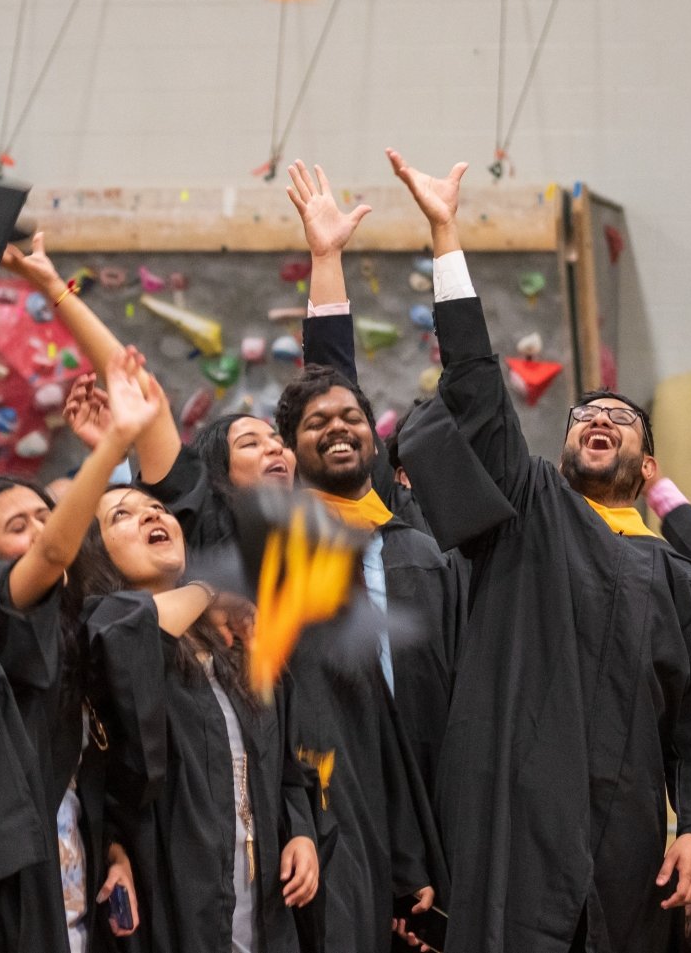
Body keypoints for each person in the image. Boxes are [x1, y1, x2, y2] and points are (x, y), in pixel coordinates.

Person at [385, 149, 691, 953]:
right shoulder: (530, 509)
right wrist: (446, 237)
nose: (597, 417)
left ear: (649, 467)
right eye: (583, 414)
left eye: (618, 416)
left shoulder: (682, 583)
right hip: (507, 828)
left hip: (623, 846)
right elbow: (477, 390)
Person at [281, 160, 464, 952]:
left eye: (352, 420)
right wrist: (326, 262)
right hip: (337, 772)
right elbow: (329, 378)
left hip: (436, 754)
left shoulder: (401, 521)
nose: (338, 426)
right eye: (315, 423)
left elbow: (340, 392)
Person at [0, 354, 160, 953]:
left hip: (78, 843)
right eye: (18, 525)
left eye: (47, 517)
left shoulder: (85, 617)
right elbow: (48, 557)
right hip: (16, 866)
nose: (43, 533)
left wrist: (113, 842)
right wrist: (117, 440)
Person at [77, 483, 321, 953]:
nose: (152, 516)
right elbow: (131, 630)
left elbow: (289, 770)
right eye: (122, 516)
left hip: (266, 909)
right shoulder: (100, 629)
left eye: (158, 508)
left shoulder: (233, 647)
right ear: (96, 555)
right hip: (173, 905)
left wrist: (302, 836)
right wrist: (208, 591)